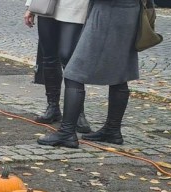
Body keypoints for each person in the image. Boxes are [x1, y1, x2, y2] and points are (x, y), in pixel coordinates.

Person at [37, 0, 141, 148]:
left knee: (74, 72)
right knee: (120, 72)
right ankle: (112, 130)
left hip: (107, 11)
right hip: (130, 11)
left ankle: (67, 132)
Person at [24, 0, 91, 133]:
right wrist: (30, 6)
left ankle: (77, 112)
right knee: (48, 57)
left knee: (69, 58)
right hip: (47, 6)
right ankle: (53, 106)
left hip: (75, 7)